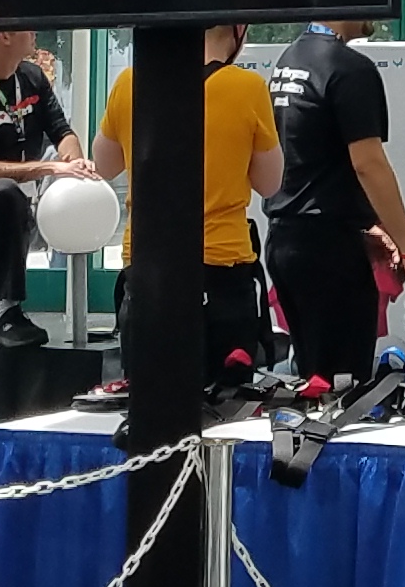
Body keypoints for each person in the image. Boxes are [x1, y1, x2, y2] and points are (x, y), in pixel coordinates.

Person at [87, 22, 282, 384]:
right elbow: (269, 183)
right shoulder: (248, 87)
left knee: (151, 399)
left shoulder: (130, 82)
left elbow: (104, 165)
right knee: (225, 404)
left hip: (148, 269)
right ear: (238, 29)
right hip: (220, 271)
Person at [265, 21, 405, 382]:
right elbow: (369, 164)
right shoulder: (350, 68)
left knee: (316, 381)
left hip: (287, 240)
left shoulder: (290, 59)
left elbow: (313, 156)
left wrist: (369, 225)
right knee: (341, 388)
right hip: (329, 252)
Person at [0, 30, 83, 344]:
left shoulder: (32, 77)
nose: (34, 32)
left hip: (23, 195)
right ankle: (6, 307)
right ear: (4, 36)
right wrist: (50, 167)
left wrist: (75, 163)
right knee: (4, 194)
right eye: (25, 27)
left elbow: (62, 131)